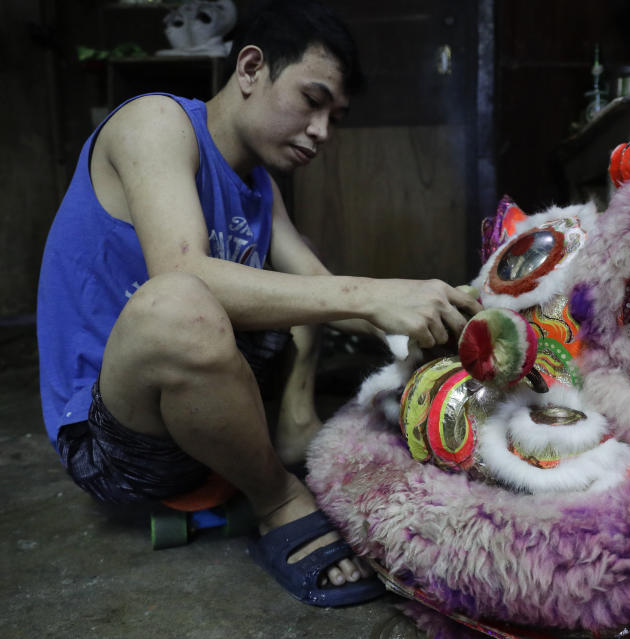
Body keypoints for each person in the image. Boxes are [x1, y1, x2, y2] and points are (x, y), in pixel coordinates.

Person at [36, 0, 480, 607]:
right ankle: (277, 499)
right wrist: (370, 295)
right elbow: (182, 272)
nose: (322, 131)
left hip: (203, 407)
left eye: (335, 116)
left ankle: (294, 425)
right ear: (250, 69)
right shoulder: (154, 124)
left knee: (302, 272)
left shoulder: (260, 185)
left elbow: (324, 287)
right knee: (177, 302)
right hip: (115, 442)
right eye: (312, 100)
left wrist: (450, 310)